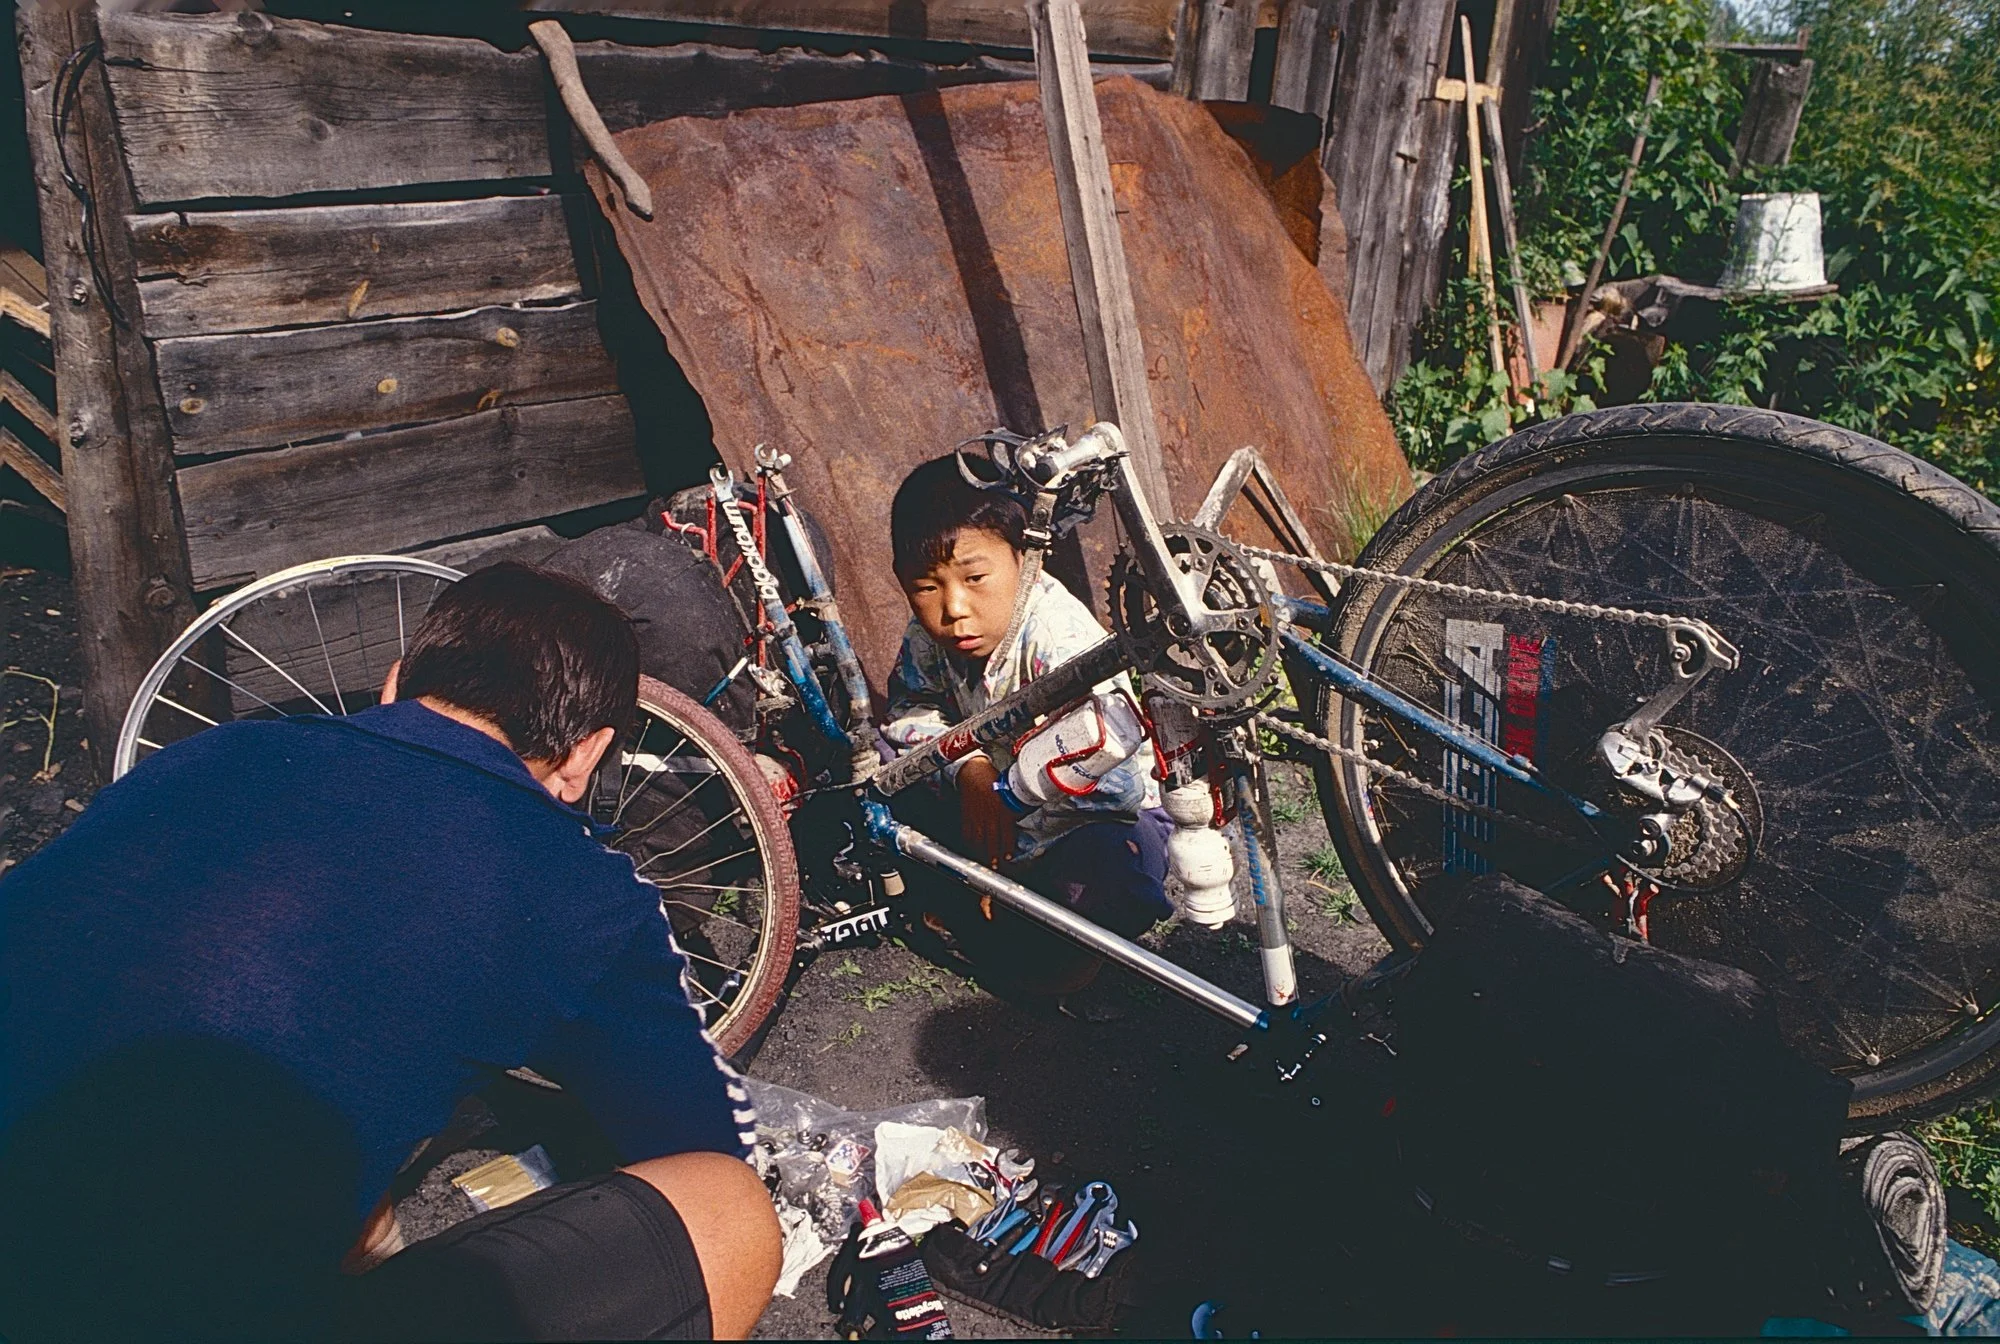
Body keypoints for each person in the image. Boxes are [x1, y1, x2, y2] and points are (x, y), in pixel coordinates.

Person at [0, 562, 781, 1341]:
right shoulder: (575, 885)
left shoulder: (208, 755)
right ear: (586, 754)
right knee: (725, 1212)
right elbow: (699, 1141)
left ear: (394, 682)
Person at [882, 455, 1173, 990]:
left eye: (975, 577)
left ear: (1025, 560)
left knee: (1114, 873)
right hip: (984, 800)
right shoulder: (930, 635)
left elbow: (1115, 787)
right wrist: (967, 771)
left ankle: (1062, 959)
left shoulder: (1059, 641)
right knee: (880, 772)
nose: (953, 607)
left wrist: (1006, 852)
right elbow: (907, 709)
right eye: (926, 587)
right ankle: (990, 913)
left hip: (1081, 820)